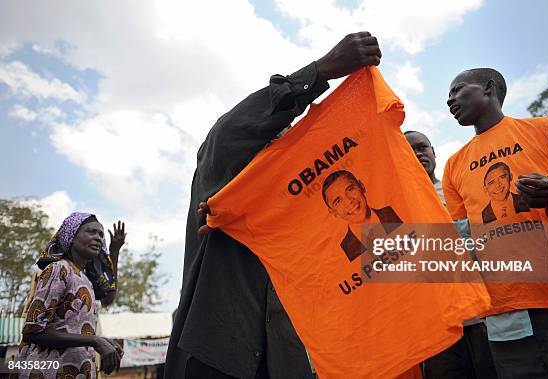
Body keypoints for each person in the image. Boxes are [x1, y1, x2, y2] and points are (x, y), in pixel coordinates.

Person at [166, 32, 383, 378]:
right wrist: (322, 70)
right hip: (214, 352)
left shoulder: (300, 215)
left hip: (285, 357)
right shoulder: (220, 174)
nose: (281, 155)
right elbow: (231, 131)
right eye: (274, 143)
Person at [443, 67, 548, 378]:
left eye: (458, 89)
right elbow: (463, 241)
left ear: (489, 88)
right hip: (504, 324)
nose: (449, 99)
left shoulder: (547, 131)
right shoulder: (454, 166)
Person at [405, 130, 497, 379]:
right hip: (437, 327)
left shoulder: (457, 190)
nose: (418, 153)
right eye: (409, 150)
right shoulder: (398, 203)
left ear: (433, 151)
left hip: (482, 315)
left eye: (422, 147)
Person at [16, 212, 125, 377]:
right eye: (91, 231)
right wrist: (94, 341)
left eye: (101, 234)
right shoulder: (59, 269)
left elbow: (108, 297)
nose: (98, 238)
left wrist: (104, 342)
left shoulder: (85, 280)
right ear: (72, 236)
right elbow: (33, 331)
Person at [321, 169, 402, 261]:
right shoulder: (346, 249)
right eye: (338, 201)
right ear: (333, 212)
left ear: (361, 186)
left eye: (350, 189)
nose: (349, 201)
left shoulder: (394, 212)